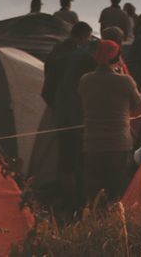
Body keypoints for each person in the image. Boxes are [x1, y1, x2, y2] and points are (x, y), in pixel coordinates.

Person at [78, 40, 141, 203]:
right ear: (117, 58)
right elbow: (136, 103)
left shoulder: (85, 80)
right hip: (118, 143)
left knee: (94, 193)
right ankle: (115, 225)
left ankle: (93, 223)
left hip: (92, 143)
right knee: (117, 191)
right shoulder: (124, 81)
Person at [43, 22, 94, 203]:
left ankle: (66, 198)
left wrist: (54, 103)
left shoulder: (56, 52)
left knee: (65, 157)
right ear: (81, 37)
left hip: (59, 108)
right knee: (77, 158)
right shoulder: (77, 58)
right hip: (74, 113)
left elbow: (48, 83)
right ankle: (76, 201)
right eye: (87, 38)